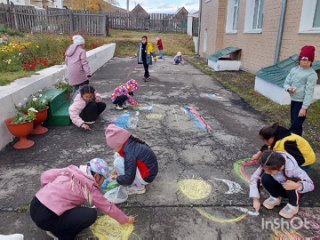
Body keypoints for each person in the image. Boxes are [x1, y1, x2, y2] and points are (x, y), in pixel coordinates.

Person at [30, 158, 135, 240]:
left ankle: (54, 225)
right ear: (97, 176)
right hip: (47, 218)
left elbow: (45, 175)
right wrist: (126, 220)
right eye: (104, 179)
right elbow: (108, 207)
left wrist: (48, 192)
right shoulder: (90, 188)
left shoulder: (70, 170)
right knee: (91, 214)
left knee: (75, 206)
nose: (104, 182)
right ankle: (60, 234)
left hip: (35, 204)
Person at [250, 150, 314, 219]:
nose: (267, 171)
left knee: (289, 182)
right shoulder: (268, 163)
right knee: (265, 177)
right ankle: (275, 197)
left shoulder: (293, 169)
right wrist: (255, 199)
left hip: (294, 191)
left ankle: (293, 206)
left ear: (280, 167)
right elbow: (254, 178)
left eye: (270, 171)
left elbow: (311, 185)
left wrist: (298, 185)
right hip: (281, 187)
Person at [105, 124, 158, 195]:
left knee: (117, 162)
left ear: (119, 144)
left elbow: (128, 179)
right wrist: (116, 171)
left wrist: (118, 178)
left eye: (114, 147)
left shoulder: (129, 153)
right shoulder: (130, 142)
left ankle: (139, 187)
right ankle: (134, 180)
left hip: (146, 177)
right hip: (148, 171)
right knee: (117, 155)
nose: (113, 150)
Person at [283, 45, 318, 136]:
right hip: (294, 100)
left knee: (297, 122)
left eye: (308, 60)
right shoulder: (294, 70)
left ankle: (295, 140)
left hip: (301, 102)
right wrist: (288, 88)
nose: (305, 62)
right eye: (303, 59)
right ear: (300, 59)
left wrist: (304, 108)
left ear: (311, 61)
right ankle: (296, 136)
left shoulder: (311, 74)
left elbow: (309, 92)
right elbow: (286, 82)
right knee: (294, 120)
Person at [251, 123, 316, 168]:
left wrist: (284, 168)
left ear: (271, 138)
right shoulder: (277, 136)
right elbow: (267, 146)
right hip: (296, 157)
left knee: (290, 177)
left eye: (264, 140)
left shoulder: (288, 143)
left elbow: (300, 160)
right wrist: (258, 154)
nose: (264, 142)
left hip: (305, 161)